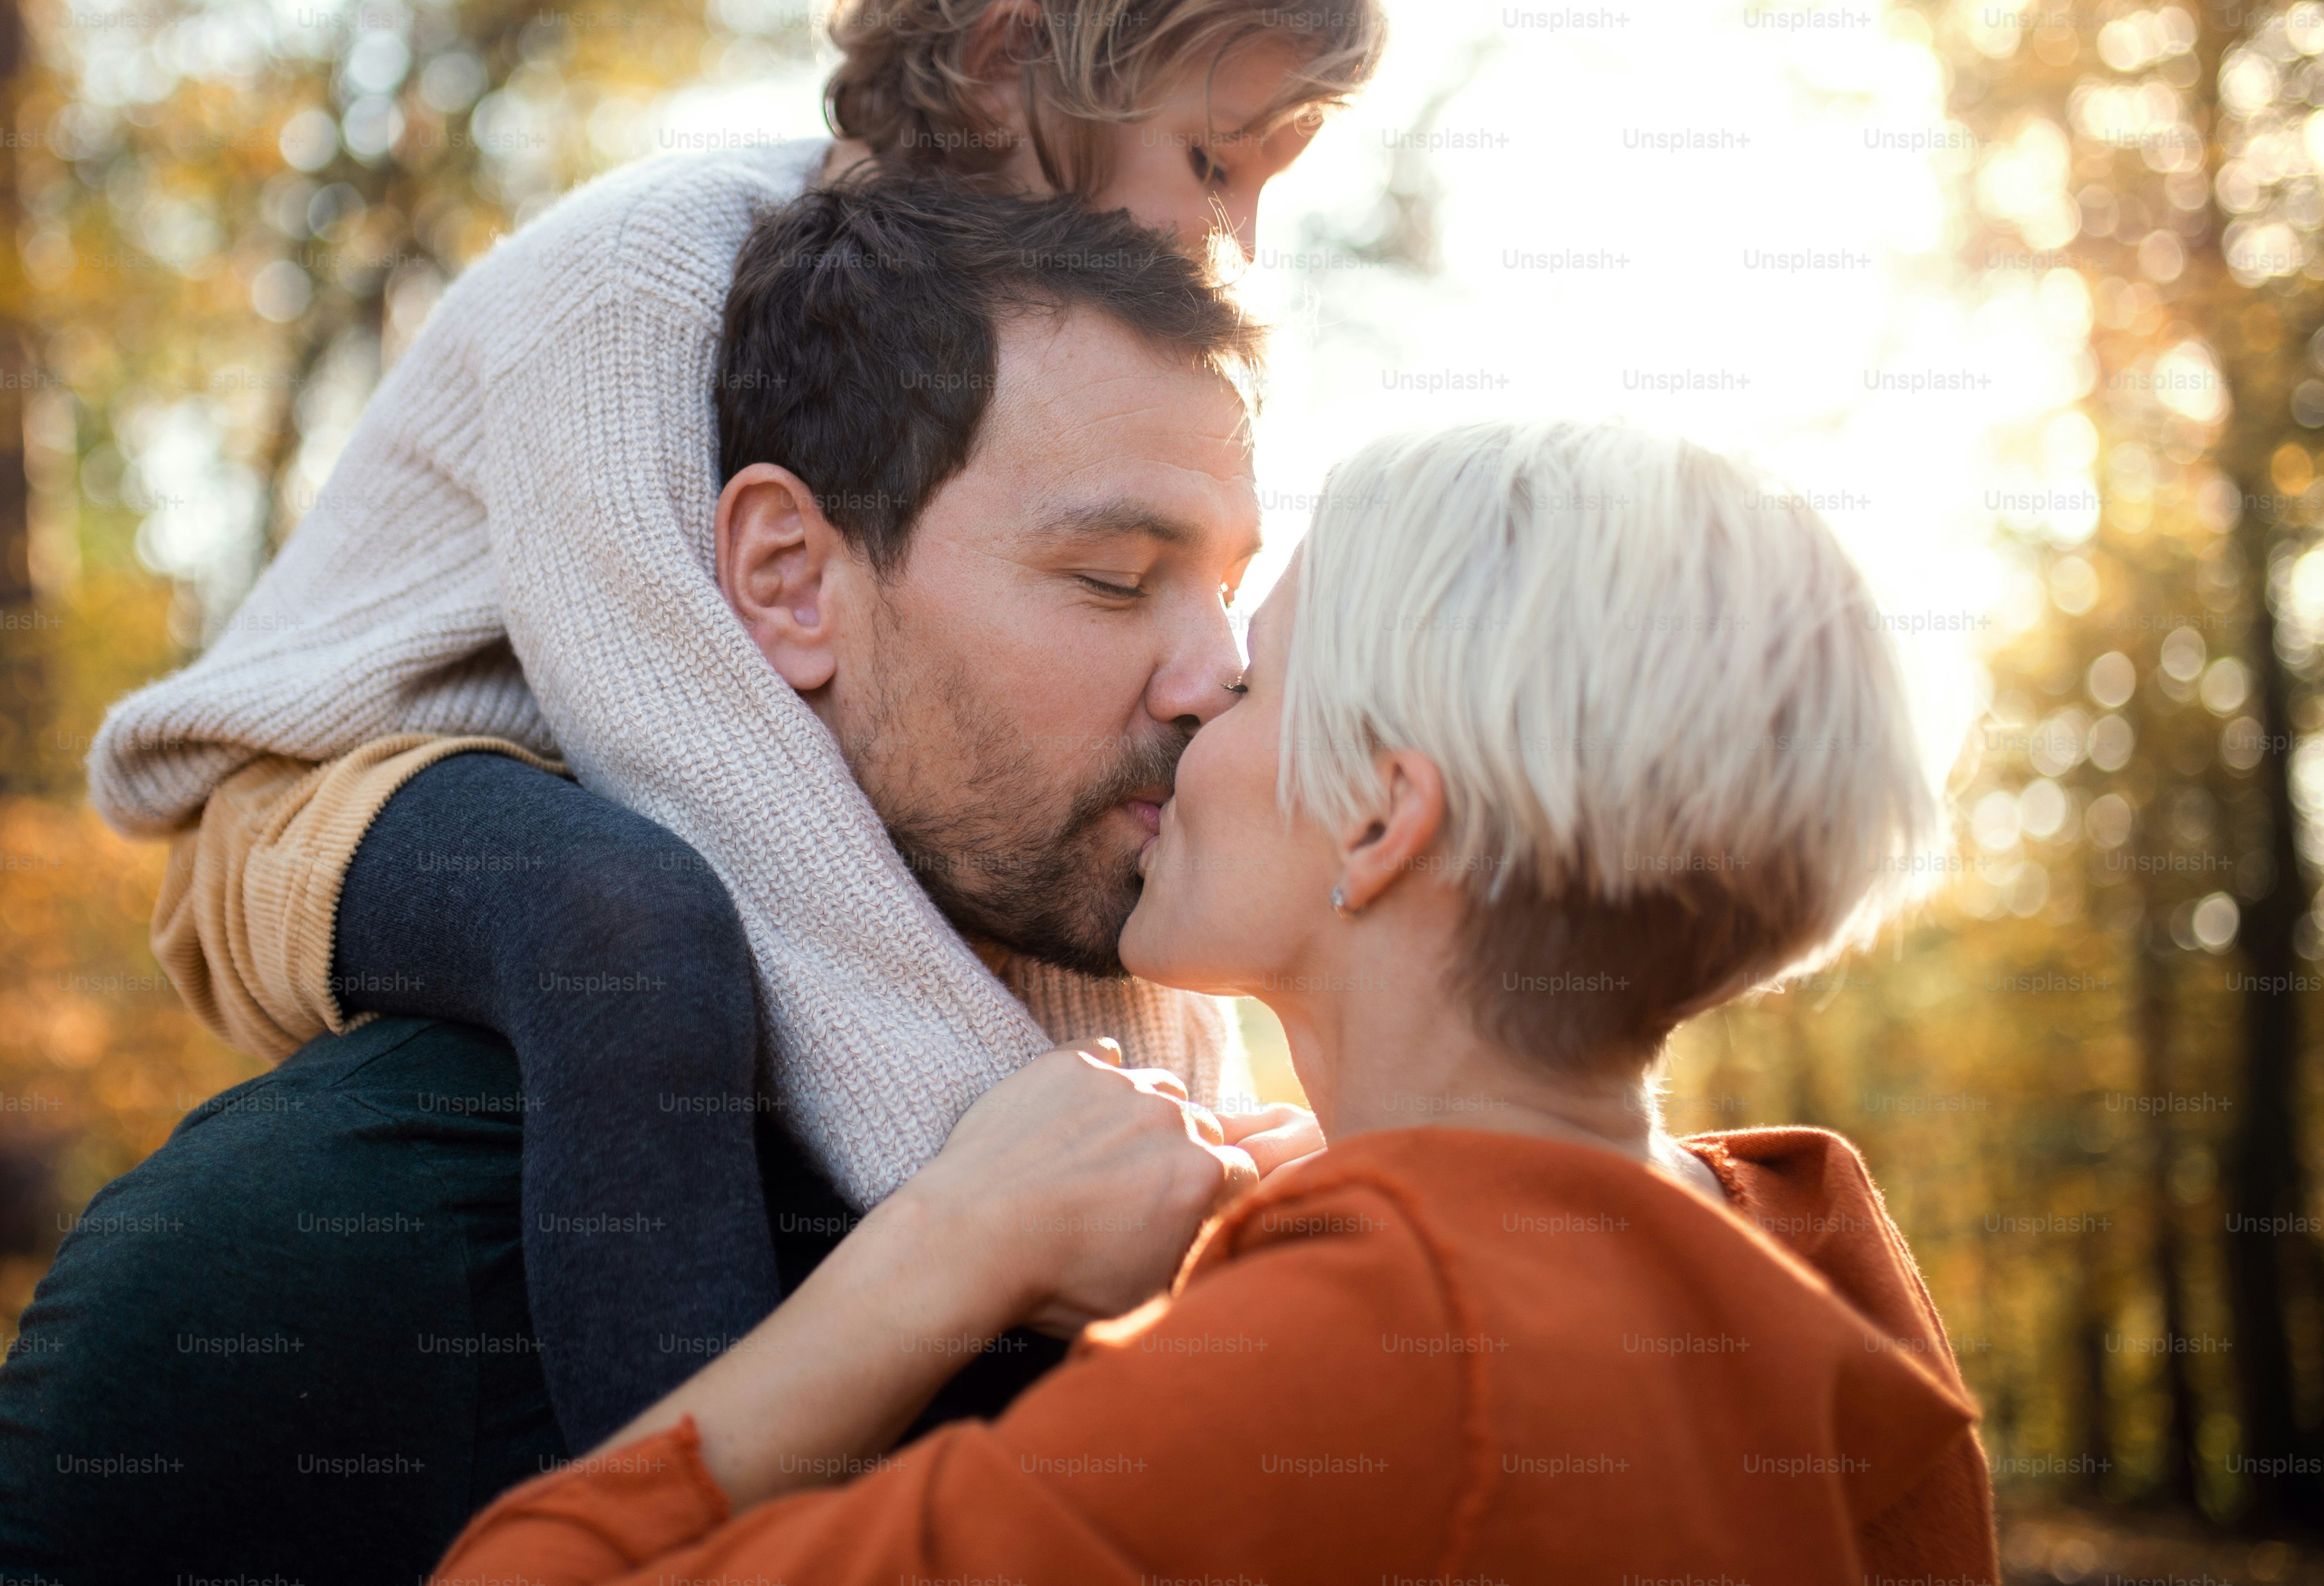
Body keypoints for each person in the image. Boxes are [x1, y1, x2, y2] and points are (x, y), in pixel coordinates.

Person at [78, 0, 1380, 1451]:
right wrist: (1002, 1190)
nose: (1235, 238)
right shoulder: (639, 280)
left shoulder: (1019, 363)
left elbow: (1047, 828)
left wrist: (1193, 1161)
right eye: (1214, 162)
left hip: (618, 743)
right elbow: (707, 773)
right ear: (1014, 65)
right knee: (622, 924)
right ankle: (679, 1505)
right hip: (333, 788)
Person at [434, 420, 2003, 1585]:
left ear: (1385, 821)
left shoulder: (1363, 1365)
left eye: (1251, 684)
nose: (1193, 700)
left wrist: (949, 1241)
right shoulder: (1815, 1263)